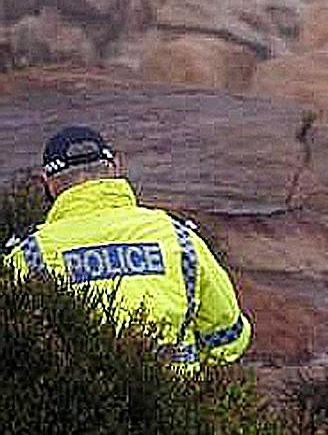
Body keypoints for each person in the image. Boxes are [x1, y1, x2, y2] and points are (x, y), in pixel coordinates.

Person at [4, 126, 251, 368]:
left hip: (68, 405)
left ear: (48, 183)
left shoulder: (27, 256)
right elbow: (230, 339)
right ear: (115, 167)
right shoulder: (179, 237)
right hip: (175, 400)